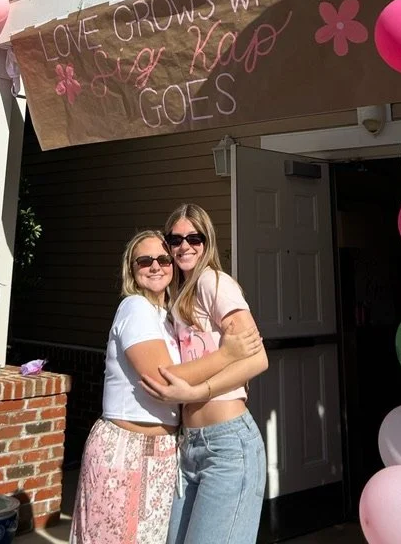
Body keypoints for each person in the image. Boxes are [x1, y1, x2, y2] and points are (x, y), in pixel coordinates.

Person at [70, 229, 263, 544]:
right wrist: (227, 354)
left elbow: (249, 358)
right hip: (127, 450)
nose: (156, 266)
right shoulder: (135, 307)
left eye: (163, 259)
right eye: (144, 261)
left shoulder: (168, 317)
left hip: (166, 454)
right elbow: (162, 379)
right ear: (131, 269)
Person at [141, 204, 269, 544]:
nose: (185, 246)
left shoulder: (215, 282)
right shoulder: (180, 295)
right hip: (191, 446)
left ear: (206, 241)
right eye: (176, 239)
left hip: (227, 445)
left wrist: (198, 393)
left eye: (193, 238)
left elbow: (257, 360)